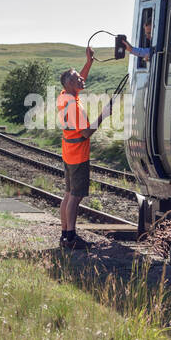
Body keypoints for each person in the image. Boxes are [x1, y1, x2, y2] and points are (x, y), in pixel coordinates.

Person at [56, 47, 112, 249]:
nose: (82, 79)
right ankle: (71, 237)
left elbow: (78, 81)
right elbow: (86, 133)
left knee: (69, 194)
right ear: (70, 83)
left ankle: (65, 234)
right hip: (78, 155)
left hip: (67, 152)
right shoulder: (75, 107)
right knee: (75, 197)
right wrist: (104, 115)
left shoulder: (65, 96)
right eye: (78, 78)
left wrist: (89, 62)